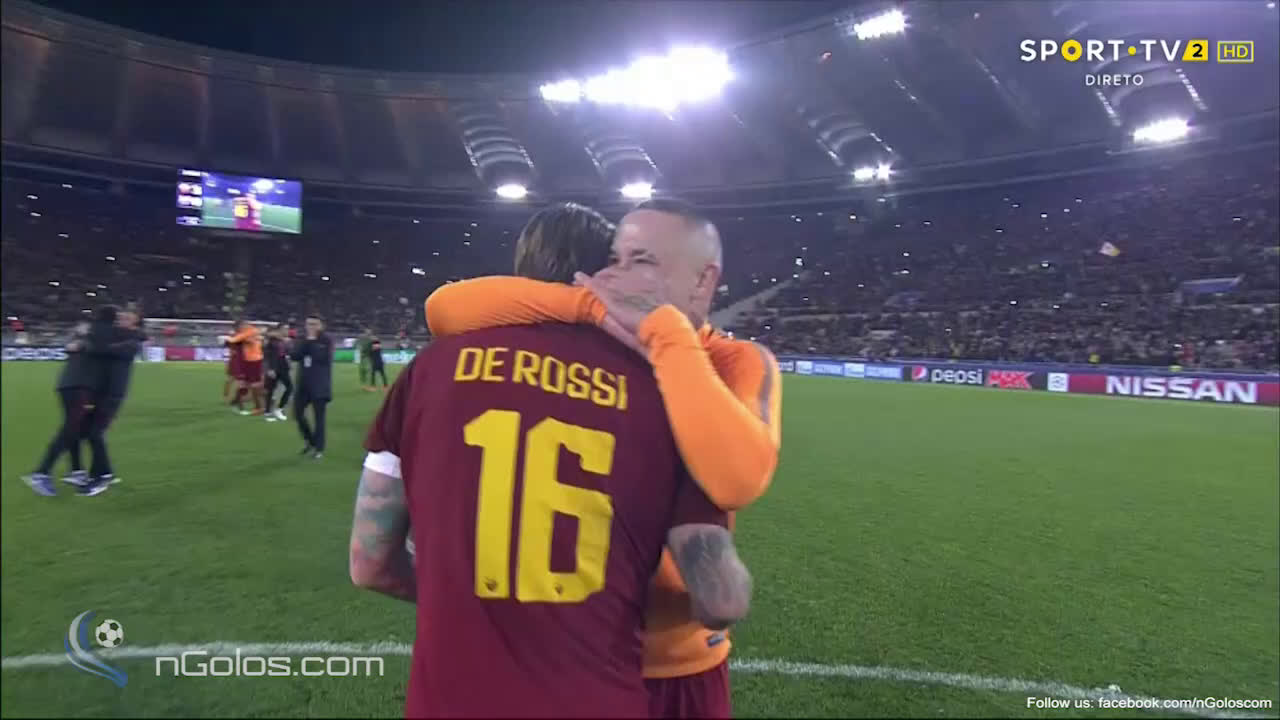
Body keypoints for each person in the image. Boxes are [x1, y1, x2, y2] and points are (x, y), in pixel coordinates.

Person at [349, 203, 753, 718]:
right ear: (606, 274)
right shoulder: (662, 389)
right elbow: (719, 601)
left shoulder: (430, 369)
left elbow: (369, 565)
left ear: (520, 273)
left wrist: (474, 599)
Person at [23, 318, 99, 495]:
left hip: (69, 386)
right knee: (71, 429)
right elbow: (75, 346)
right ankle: (41, 473)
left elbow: (72, 347)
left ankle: (76, 471)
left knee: (75, 429)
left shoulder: (84, 341)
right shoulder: (89, 341)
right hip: (78, 388)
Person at [79, 303, 146, 496]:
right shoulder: (119, 335)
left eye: (127, 318)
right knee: (90, 432)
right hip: (100, 391)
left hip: (113, 394)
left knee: (95, 433)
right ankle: (101, 472)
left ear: (136, 322)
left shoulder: (133, 341)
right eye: (121, 317)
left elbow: (104, 349)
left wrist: (89, 340)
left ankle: (103, 476)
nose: (121, 320)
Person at [290, 315, 332, 459]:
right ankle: (310, 441)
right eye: (309, 324)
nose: (311, 327)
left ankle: (319, 449)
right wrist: (307, 341)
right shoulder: (303, 339)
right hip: (303, 383)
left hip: (320, 384)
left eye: (314, 324)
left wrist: (313, 342)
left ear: (321, 325)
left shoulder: (326, 340)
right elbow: (295, 356)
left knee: (319, 418)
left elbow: (323, 358)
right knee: (297, 414)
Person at [227, 320, 265, 415]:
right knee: (247, 386)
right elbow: (233, 345)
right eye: (242, 326)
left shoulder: (247, 334)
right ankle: (256, 407)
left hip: (251, 362)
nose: (244, 327)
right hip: (243, 364)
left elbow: (254, 337)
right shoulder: (240, 338)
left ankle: (236, 403)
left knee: (248, 386)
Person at [263, 323, 292, 422]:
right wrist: (269, 369)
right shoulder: (272, 341)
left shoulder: (285, 341)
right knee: (270, 390)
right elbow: (266, 355)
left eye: (288, 329)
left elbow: (287, 354)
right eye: (285, 329)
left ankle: (279, 409)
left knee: (290, 388)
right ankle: (267, 413)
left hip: (283, 366)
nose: (287, 331)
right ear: (279, 330)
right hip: (274, 367)